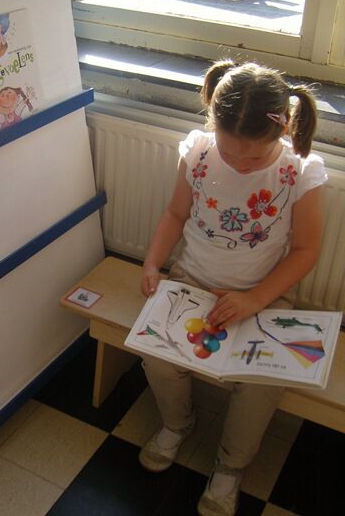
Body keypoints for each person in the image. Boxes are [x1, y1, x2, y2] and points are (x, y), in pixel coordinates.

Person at [138, 60, 327, 516]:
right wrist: (152, 261)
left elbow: (306, 251)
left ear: (283, 130)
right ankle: (177, 424)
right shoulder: (199, 152)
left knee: (262, 383)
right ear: (213, 124)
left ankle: (230, 465)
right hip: (192, 278)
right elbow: (175, 214)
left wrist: (254, 300)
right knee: (156, 352)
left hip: (264, 294)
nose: (241, 165)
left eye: (254, 159)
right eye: (230, 153)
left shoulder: (300, 171)